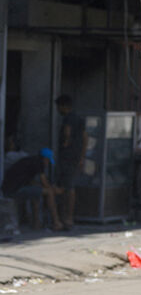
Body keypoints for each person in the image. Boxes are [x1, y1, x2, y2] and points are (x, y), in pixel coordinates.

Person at [1, 148, 64, 231]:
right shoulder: (39, 163)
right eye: (48, 161)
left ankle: (36, 223)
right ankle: (56, 222)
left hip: (9, 189)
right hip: (14, 190)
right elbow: (44, 182)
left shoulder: (30, 161)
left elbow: (33, 183)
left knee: (36, 193)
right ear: (45, 159)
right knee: (49, 193)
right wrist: (54, 189)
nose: (47, 163)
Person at [54, 95, 87, 229]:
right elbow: (85, 138)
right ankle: (68, 217)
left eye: (59, 107)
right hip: (76, 157)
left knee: (66, 187)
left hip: (67, 157)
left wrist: (66, 144)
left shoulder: (68, 119)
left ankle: (66, 218)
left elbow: (67, 133)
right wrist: (82, 156)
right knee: (69, 186)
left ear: (64, 106)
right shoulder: (79, 119)